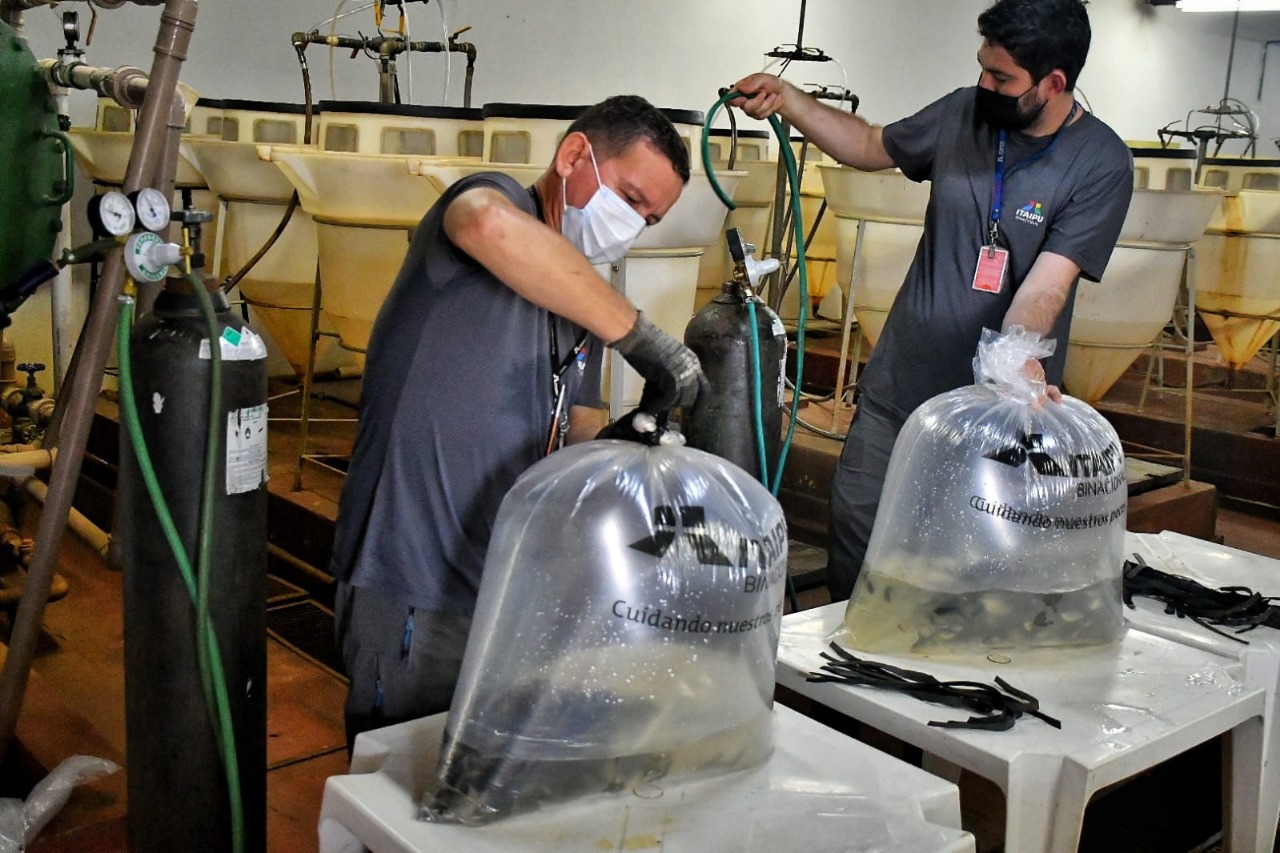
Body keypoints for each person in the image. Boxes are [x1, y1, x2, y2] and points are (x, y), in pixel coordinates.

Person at [330, 94, 705, 747]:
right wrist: (644, 340)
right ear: (573, 156)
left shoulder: (573, 290)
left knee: (474, 782)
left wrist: (634, 453)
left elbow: (580, 423)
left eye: (649, 218)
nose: (632, 223)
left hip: (501, 582)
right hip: (414, 570)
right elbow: (485, 226)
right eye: (629, 195)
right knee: (396, 780)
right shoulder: (497, 200)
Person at [733, 0, 1133, 601]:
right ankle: (847, 669)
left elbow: (1048, 284)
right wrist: (789, 100)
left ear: (1054, 83)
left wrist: (1014, 359)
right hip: (900, 384)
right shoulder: (963, 112)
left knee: (963, 558)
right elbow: (869, 145)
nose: (984, 86)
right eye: (983, 69)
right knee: (858, 524)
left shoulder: (1100, 161)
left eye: (1002, 79)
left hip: (991, 412)